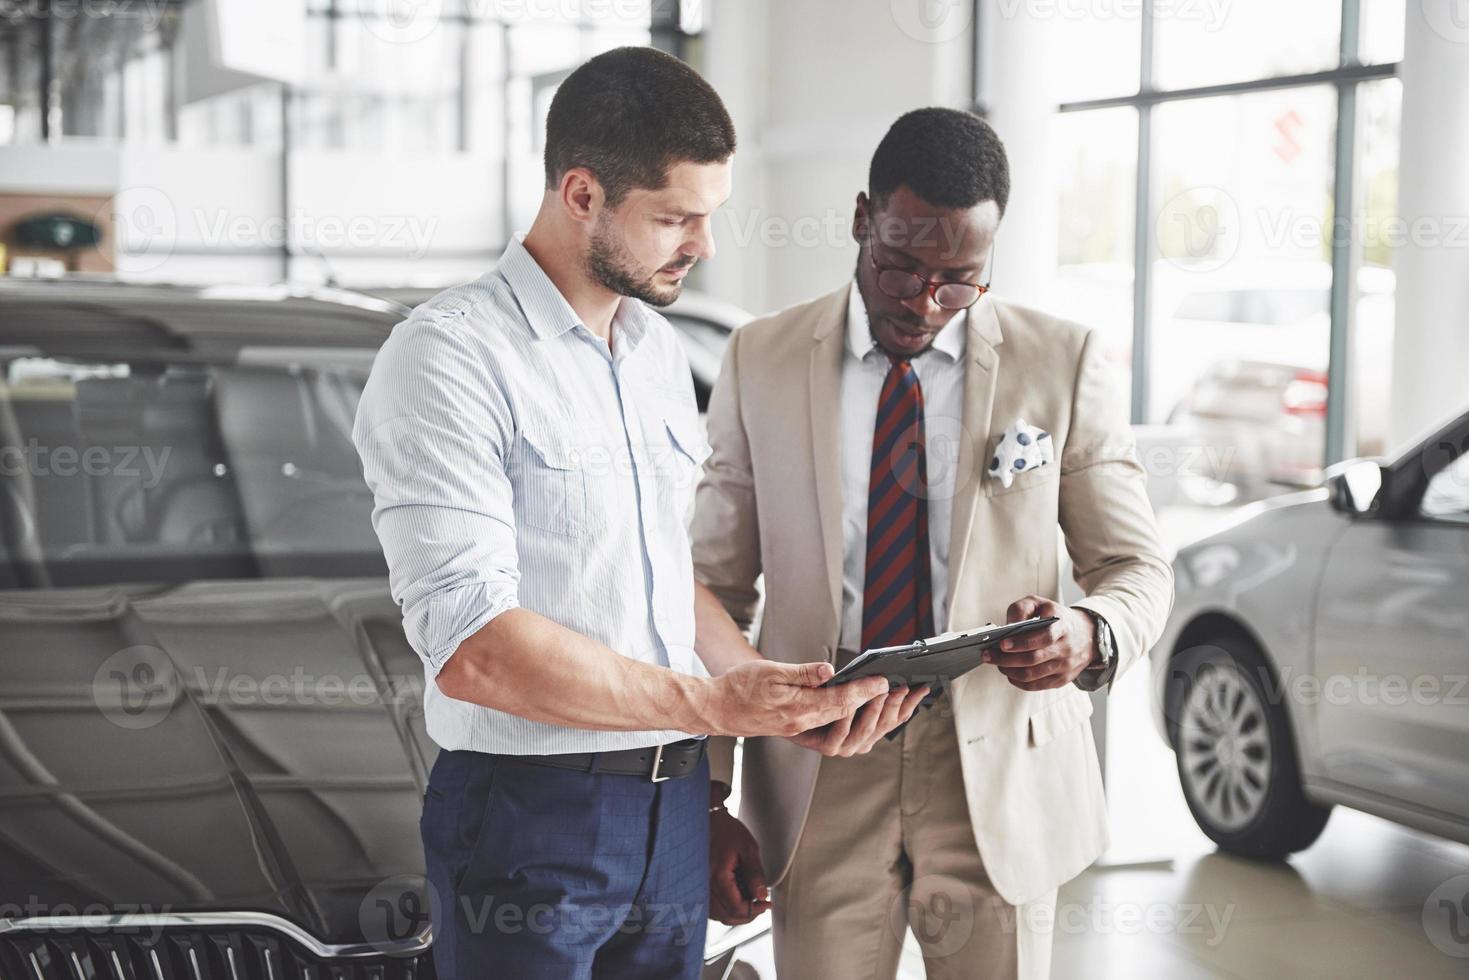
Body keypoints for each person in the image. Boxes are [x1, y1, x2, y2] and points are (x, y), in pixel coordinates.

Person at [352, 47, 909, 980]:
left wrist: (762, 692)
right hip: (530, 818)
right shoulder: (447, 358)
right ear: (581, 194)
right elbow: (473, 645)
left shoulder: (651, 349)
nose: (703, 243)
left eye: (709, 215)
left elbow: (652, 570)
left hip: (672, 812)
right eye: (674, 218)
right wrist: (709, 703)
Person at [694, 107, 1176, 979]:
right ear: (859, 218)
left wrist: (1090, 630)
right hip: (817, 762)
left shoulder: (1058, 362)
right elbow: (712, 587)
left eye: (958, 280)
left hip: (998, 766)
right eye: (899, 267)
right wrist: (709, 791)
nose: (924, 302)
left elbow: (1133, 565)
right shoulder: (757, 358)